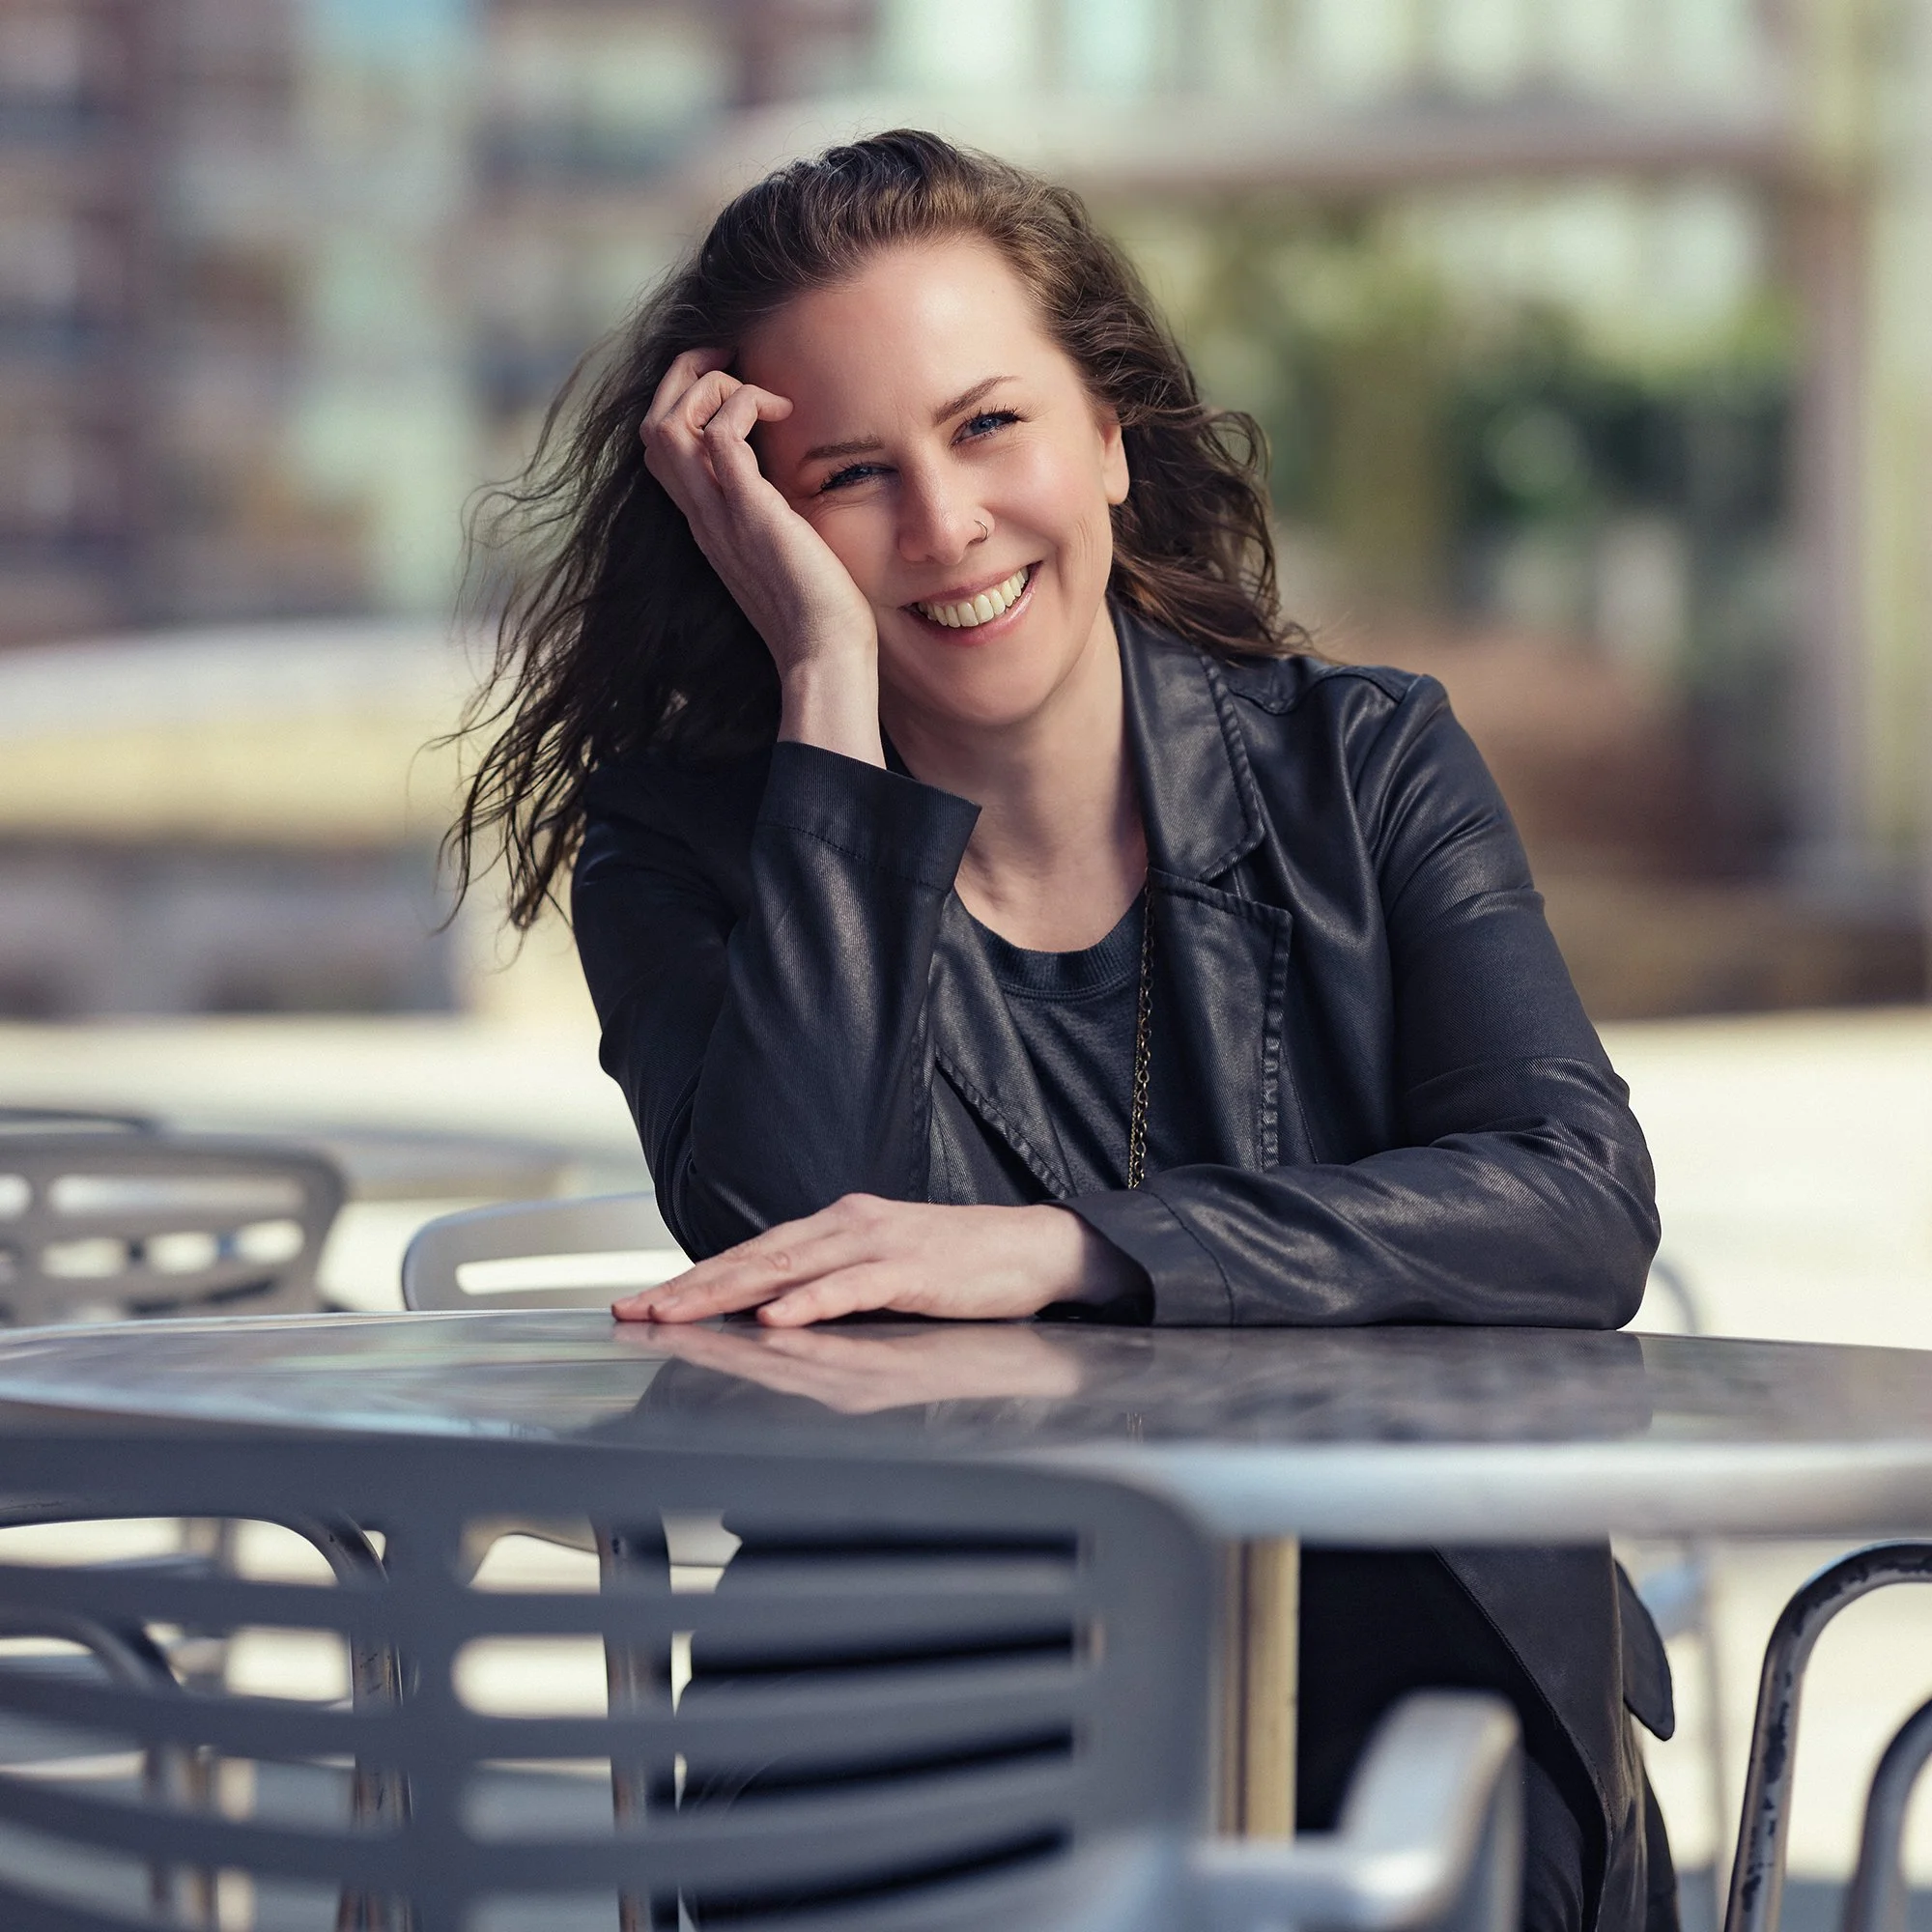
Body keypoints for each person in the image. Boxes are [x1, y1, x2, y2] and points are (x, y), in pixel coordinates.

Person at [449, 129, 1674, 1932]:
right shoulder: (686, 845)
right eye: (849, 475)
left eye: (989, 425)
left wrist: (1071, 1250)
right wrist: (824, 690)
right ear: (758, 524)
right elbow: (789, 1222)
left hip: (1406, 1655)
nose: (943, 527)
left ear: (1110, 436)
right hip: (907, 1699)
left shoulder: (1367, 763)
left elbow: (1574, 1197)